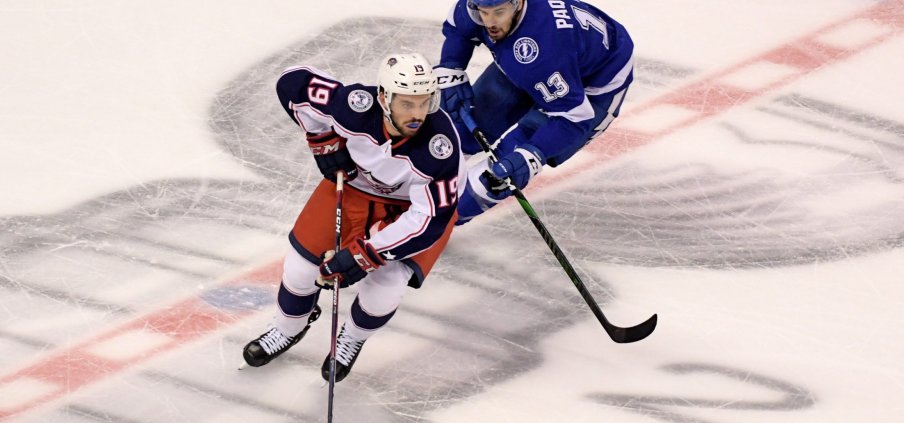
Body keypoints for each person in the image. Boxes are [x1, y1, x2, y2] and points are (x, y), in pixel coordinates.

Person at [241, 53, 466, 382]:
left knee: (384, 291)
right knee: (300, 271)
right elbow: (292, 83)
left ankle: (351, 339)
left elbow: (428, 222)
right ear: (384, 98)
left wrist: (366, 255)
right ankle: (287, 329)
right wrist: (322, 140)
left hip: (410, 214)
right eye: (407, 104)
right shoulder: (354, 105)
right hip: (354, 190)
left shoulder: (441, 148)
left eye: (424, 103)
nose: (417, 114)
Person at [434, 0, 634, 224]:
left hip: (593, 89)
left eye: (498, 12)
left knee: (504, 169)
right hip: (535, 65)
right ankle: (410, 195)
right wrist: (451, 66)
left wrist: (533, 154)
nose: (489, 22)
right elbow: (458, 28)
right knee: (457, 132)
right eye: (483, 13)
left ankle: (438, 226)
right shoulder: (478, 7)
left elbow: (575, 118)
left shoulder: (546, 50)